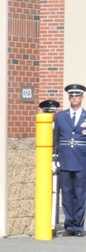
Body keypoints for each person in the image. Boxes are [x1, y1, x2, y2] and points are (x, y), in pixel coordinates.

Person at [54, 83, 86, 236]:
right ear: (69, 98)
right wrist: (55, 158)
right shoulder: (60, 116)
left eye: (77, 95)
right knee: (66, 194)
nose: (74, 98)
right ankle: (69, 226)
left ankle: (78, 227)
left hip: (82, 161)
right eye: (72, 96)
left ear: (82, 97)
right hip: (65, 160)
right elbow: (56, 139)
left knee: (80, 194)